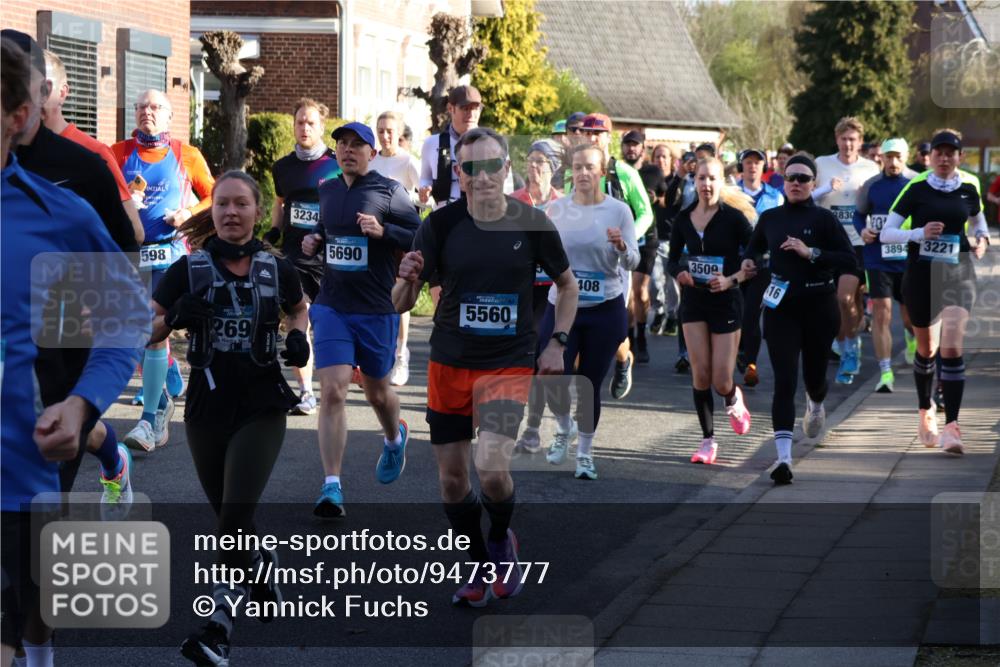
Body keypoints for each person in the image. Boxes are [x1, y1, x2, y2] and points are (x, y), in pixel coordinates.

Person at [2, 36, 149, 666]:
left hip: (23, 448)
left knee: (30, 601)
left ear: (17, 118)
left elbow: (126, 309)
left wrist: (84, 400)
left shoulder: (59, 207)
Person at [394, 126, 577, 606]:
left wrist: (557, 342)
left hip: (507, 363)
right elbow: (400, 303)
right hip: (450, 363)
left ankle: (500, 539)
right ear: (459, 173)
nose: (483, 176)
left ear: (506, 168)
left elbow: (568, 285)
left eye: (492, 166)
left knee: (490, 466)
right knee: (453, 480)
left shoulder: (532, 223)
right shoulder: (439, 225)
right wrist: (407, 280)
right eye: (471, 168)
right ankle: (476, 562)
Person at [146, 171, 309, 665]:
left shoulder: (277, 268)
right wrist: (173, 317)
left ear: (258, 212)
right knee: (228, 516)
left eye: (241, 204)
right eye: (223, 205)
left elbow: (299, 309)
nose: (232, 213)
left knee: (234, 517)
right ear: (212, 211)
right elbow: (144, 330)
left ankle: (218, 627)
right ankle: (261, 565)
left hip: (261, 404)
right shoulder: (187, 270)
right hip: (206, 407)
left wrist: (299, 335)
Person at [301, 121, 420, 517]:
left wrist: (383, 231)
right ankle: (331, 485)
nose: (348, 151)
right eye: (342, 145)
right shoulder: (328, 189)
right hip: (332, 304)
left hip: (376, 309)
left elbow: (418, 237)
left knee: (377, 393)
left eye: (357, 145)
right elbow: (325, 227)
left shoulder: (390, 191)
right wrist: (314, 239)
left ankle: (393, 436)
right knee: (333, 389)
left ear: (372, 153)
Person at [741, 154, 859, 485]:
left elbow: (849, 260)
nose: (796, 183)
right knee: (784, 380)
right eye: (791, 177)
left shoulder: (824, 219)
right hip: (781, 308)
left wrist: (812, 253)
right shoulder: (770, 218)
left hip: (820, 306)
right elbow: (751, 250)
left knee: (814, 377)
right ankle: (783, 459)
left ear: (812, 183)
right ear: (783, 178)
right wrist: (750, 263)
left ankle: (816, 402)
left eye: (803, 178)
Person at [112, 89, 215, 452]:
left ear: (170, 116)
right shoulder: (118, 153)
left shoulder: (186, 154)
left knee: (154, 331)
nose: (147, 113)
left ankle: (149, 418)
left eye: (155, 107)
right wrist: (122, 202)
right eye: (141, 107)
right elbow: (99, 193)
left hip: (169, 255)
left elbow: (214, 196)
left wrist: (189, 214)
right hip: (128, 256)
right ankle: (165, 386)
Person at [880, 130, 989, 454]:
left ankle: (952, 427)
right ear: (930, 158)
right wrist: (918, 232)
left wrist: (982, 241)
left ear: (959, 157)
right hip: (922, 276)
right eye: (938, 153)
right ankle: (925, 410)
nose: (944, 158)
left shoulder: (969, 190)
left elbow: (980, 223)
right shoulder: (916, 190)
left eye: (950, 153)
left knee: (952, 348)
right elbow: (887, 233)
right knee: (927, 349)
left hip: (959, 275)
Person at [534, 143, 638, 478]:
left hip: (604, 307)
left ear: (602, 171)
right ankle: (563, 428)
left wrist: (622, 247)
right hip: (562, 305)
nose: (582, 174)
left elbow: (634, 259)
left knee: (590, 383)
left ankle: (585, 454)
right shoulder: (556, 209)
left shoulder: (618, 210)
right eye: (577, 167)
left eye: (589, 167)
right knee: (552, 374)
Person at [669, 157, 756, 464]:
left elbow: (755, 259)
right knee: (700, 374)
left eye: (712, 179)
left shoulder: (733, 218)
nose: (706, 184)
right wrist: (679, 271)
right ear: (695, 180)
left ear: (721, 182)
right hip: (694, 301)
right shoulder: (684, 218)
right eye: (701, 178)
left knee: (721, 379)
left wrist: (732, 278)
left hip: (726, 302)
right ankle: (707, 441)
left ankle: (733, 398)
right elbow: (672, 258)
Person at [266, 98, 341, 416]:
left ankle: (338, 381)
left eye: (311, 122)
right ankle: (307, 392)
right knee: (300, 314)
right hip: (295, 255)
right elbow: (280, 203)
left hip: (332, 257)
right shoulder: (283, 167)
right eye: (299, 122)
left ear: (322, 126)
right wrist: (272, 231)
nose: (305, 127)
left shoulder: (336, 164)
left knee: (328, 323)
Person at [576, 114, 653, 395]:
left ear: (609, 138)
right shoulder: (575, 170)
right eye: (587, 133)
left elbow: (645, 211)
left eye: (598, 133)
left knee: (613, 320)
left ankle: (623, 358)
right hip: (583, 256)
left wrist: (629, 238)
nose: (592, 138)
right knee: (577, 317)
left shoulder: (624, 173)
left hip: (616, 258)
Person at [42, 49, 144, 245]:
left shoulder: (95, 153)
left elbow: (134, 233)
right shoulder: (10, 153)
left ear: (63, 93)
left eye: (43, 87)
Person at [813, 117, 880, 385]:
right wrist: (827, 188)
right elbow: (809, 195)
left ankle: (850, 350)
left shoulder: (870, 167)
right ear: (836, 139)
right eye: (843, 138)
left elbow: (878, 205)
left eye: (853, 139)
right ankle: (846, 341)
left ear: (860, 142)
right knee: (836, 302)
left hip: (859, 243)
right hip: (830, 241)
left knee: (845, 298)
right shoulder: (822, 164)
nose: (848, 144)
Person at [510, 140, 563, 455]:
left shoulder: (564, 205)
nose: (534, 166)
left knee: (541, 359)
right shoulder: (513, 201)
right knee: (521, 359)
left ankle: (532, 429)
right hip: (520, 292)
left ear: (553, 168)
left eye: (542, 161)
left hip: (551, 292)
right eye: (531, 159)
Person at [854, 138, 918, 393]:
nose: (893, 162)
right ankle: (885, 372)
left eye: (898, 157)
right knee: (882, 313)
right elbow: (859, 213)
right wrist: (863, 230)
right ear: (881, 157)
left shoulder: (915, 184)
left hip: (907, 259)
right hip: (877, 257)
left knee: (909, 316)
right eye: (888, 157)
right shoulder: (871, 186)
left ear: (906, 157)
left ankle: (912, 339)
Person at [371, 110, 421, 387]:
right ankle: (384, 350)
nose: (385, 135)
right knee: (379, 293)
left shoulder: (407, 161)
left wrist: (420, 195)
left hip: (400, 236)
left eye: (390, 130)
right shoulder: (372, 161)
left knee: (400, 291)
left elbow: (425, 194)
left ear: (399, 133)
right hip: (375, 237)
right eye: (380, 130)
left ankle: (402, 353)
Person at [735, 148, 785, 387]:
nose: (752, 166)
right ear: (741, 165)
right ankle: (739, 349)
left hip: (763, 264)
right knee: (736, 312)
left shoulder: (775, 196)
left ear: (763, 166)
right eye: (748, 162)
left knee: (752, 312)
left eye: (757, 162)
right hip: (734, 262)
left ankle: (750, 362)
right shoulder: (730, 193)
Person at [620, 130, 659, 364]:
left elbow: (664, 197)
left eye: (635, 145)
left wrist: (657, 198)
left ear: (643, 149)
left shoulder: (652, 172)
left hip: (647, 237)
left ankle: (641, 336)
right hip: (624, 236)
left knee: (640, 290)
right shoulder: (617, 172)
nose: (631, 149)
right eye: (627, 145)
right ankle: (630, 337)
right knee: (629, 294)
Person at [649, 144, 684, 336]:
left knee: (672, 283)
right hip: (653, 237)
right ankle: (659, 310)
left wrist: (658, 200)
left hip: (673, 239)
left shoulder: (677, 180)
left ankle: (672, 316)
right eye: (657, 157)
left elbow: (673, 200)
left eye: (664, 157)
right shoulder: (649, 179)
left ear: (671, 160)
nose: (660, 160)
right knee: (654, 282)